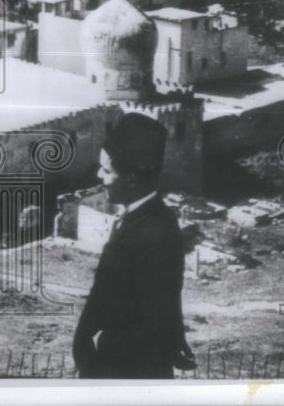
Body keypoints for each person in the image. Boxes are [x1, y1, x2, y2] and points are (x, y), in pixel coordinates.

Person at [72, 112, 195, 379]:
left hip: (125, 371)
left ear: (131, 178)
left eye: (106, 170)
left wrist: (98, 346)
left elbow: (158, 311)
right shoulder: (144, 218)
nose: (98, 176)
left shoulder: (154, 233)